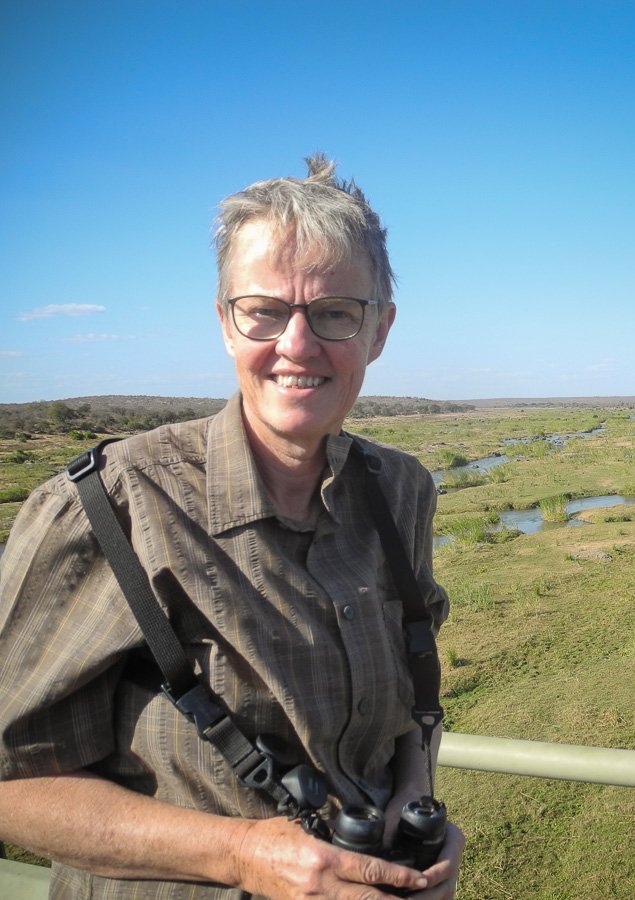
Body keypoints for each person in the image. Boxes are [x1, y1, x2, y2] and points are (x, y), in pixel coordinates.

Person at [0, 154, 465, 898]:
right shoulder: (110, 506)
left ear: (379, 331)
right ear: (225, 323)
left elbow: (416, 696)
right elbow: (11, 784)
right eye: (264, 311)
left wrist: (417, 799)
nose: (297, 345)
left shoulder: (400, 492)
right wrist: (241, 854)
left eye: (335, 312)